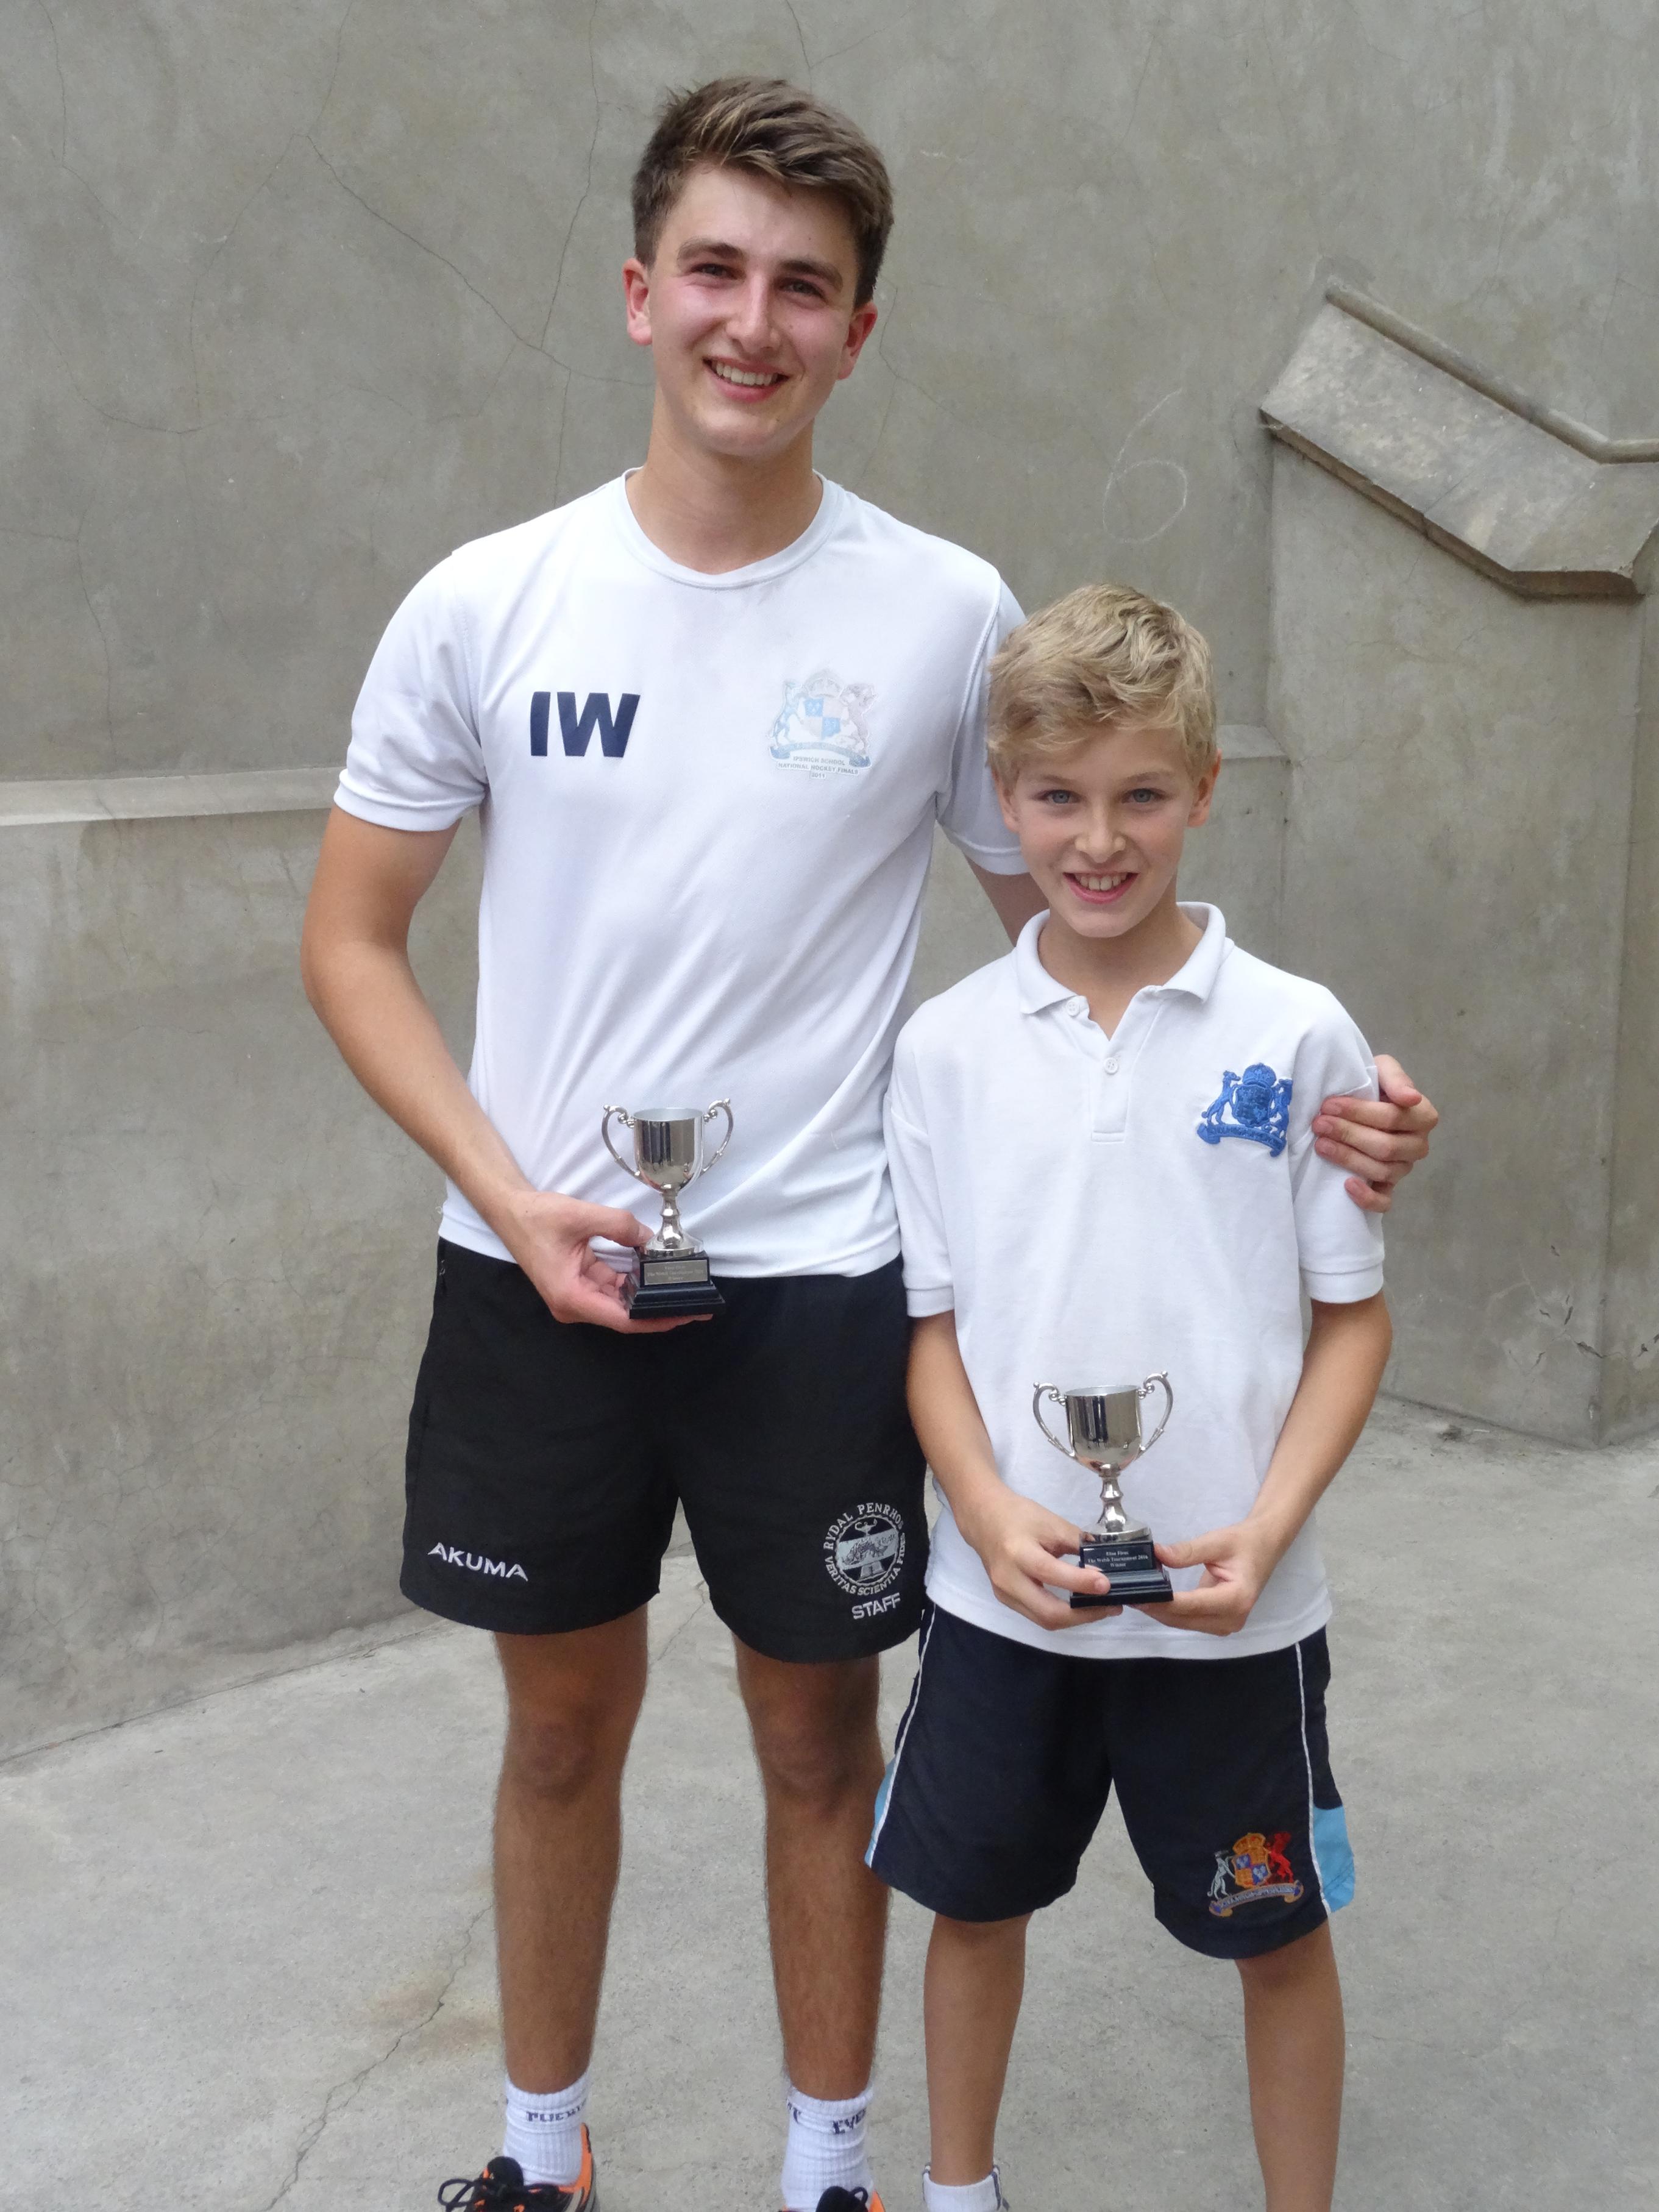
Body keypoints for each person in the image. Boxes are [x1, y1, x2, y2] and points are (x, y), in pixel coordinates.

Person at [299, 77, 1435, 2212]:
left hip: (820, 1290)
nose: (753, 320)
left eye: (801, 287)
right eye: (714, 273)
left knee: (821, 1744)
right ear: (641, 297)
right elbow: (352, 942)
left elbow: (1081, 951)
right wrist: (506, 1184)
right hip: (531, 1274)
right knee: (556, 1736)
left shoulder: (936, 616)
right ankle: (541, 2158)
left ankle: (831, 2168)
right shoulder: (487, 600)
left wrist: (1308, 1099)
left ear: (856, 332)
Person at [868, 583, 1395, 2212]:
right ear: (1004, 801)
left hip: (1231, 1620)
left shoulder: (1295, 1034)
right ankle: (959, 2193)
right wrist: (981, 1502)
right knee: (972, 1912)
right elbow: (928, 1326)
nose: (1097, 840)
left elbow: (1350, 1321)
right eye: (1056, 799)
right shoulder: (947, 1050)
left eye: (1139, 796)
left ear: (1204, 788)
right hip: (1000, 1605)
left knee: (1278, 1935)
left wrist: (1266, 1527)